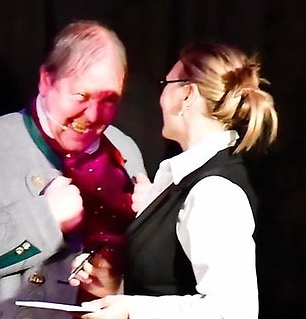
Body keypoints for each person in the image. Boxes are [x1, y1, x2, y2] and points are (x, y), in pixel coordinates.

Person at [0, 20, 147, 318]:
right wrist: (45, 219)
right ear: (46, 81)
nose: (93, 115)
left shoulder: (124, 151)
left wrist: (117, 280)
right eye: (81, 96)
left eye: (109, 99)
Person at [73, 42, 278, 319]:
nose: (161, 96)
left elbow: (231, 312)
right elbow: (167, 285)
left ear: (186, 95)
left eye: (166, 84)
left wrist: (132, 309)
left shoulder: (213, 191)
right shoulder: (183, 179)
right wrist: (114, 288)